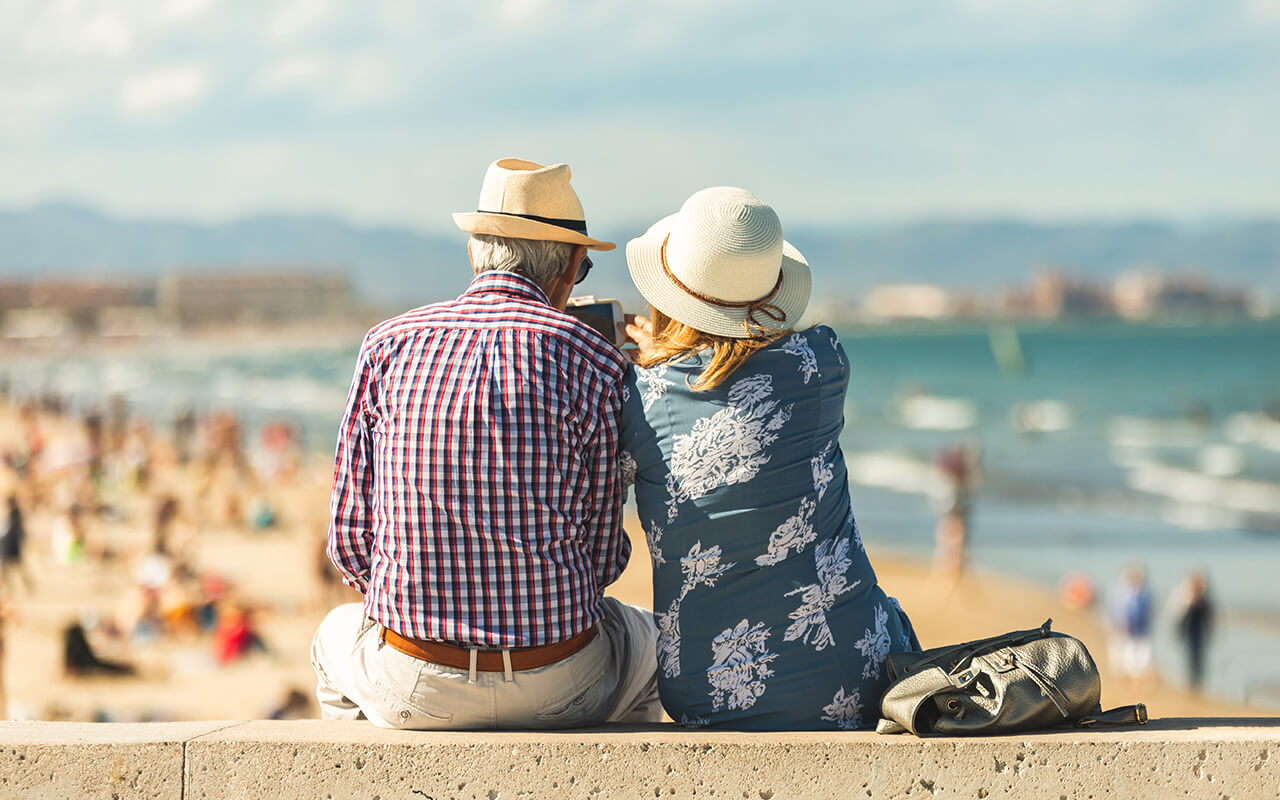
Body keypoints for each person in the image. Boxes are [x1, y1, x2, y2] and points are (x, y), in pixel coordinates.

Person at [311, 158, 660, 729]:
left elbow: (350, 548)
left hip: (414, 682)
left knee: (332, 637)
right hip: (560, 679)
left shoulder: (387, 345)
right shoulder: (595, 361)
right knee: (648, 644)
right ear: (572, 267)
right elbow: (603, 561)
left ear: (475, 250)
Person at [619, 187, 919, 729]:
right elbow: (742, 368)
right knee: (889, 614)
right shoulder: (822, 363)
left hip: (707, 690)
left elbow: (684, 395)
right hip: (852, 672)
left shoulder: (637, 396)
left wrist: (650, 359)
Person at [1108, 566, 1154, 688]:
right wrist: (1117, 625)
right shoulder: (1121, 593)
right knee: (1123, 658)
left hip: (1140, 631)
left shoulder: (1144, 595)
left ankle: (1136, 683)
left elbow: (1148, 613)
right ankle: (1124, 683)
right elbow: (1115, 611)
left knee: (1139, 660)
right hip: (1124, 630)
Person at [1174, 570, 1214, 689]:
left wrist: (1209, 633)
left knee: (1199, 658)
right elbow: (1182, 618)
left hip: (1199, 634)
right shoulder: (1187, 600)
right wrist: (1179, 632)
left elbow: (1208, 619)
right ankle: (1191, 681)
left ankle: (1197, 681)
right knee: (1190, 658)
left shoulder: (1204, 601)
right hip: (1189, 634)